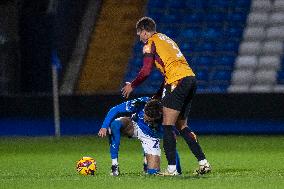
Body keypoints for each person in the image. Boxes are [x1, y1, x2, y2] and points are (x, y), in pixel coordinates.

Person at [121, 17, 211, 175]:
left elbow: (146, 70)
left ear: (144, 31)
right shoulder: (166, 39)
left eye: (139, 34)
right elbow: (170, 70)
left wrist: (132, 85)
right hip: (190, 78)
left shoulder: (150, 43)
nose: (140, 38)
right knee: (181, 126)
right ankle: (203, 162)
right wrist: (158, 94)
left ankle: (172, 169)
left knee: (167, 125)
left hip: (177, 81)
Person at [98, 97, 182, 176]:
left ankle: (147, 160)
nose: (145, 119)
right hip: (134, 125)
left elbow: (172, 146)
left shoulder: (166, 120)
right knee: (115, 125)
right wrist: (104, 126)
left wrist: (177, 169)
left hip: (150, 137)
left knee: (153, 172)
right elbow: (114, 109)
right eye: (144, 115)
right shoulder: (141, 102)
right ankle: (114, 166)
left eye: (148, 120)